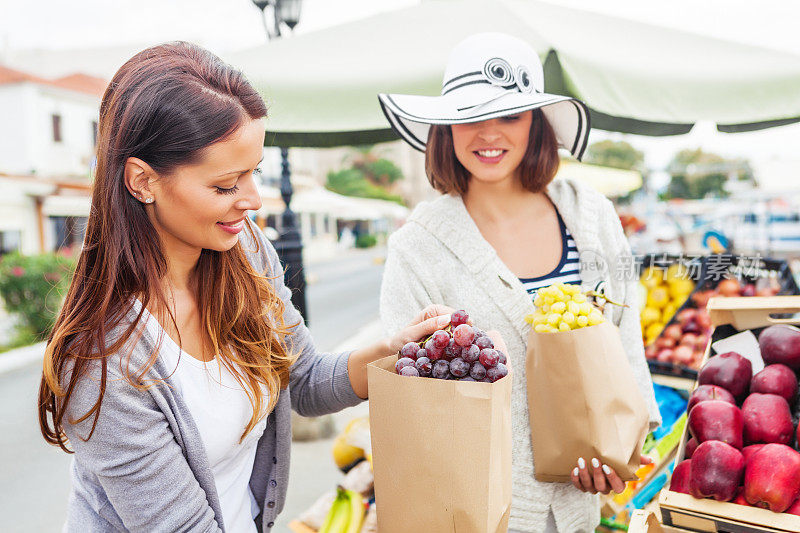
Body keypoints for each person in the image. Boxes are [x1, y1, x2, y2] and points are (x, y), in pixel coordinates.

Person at [37, 42, 457, 533]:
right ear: (142, 180)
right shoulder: (102, 363)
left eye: (253, 172)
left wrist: (392, 351)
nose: (253, 200)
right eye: (225, 185)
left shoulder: (245, 254)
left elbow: (305, 381)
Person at [378, 33, 662, 533]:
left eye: (510, 115)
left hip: (577, 509)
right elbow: (410, 398)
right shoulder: (416, 247)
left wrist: (622, 444)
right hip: (467, 514)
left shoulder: (591, 216)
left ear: (536, 123)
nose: (489, 134)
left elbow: (624, 339)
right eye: (469, 116)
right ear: (446, 128)